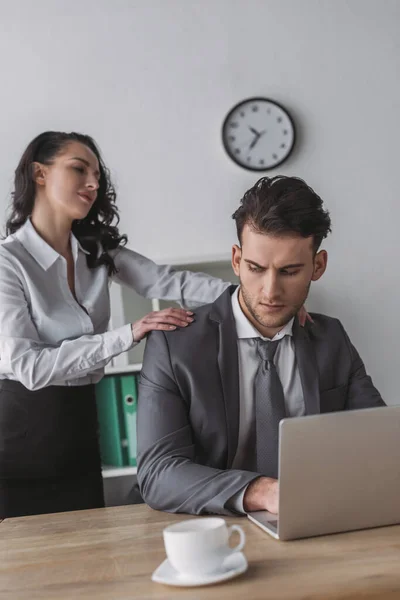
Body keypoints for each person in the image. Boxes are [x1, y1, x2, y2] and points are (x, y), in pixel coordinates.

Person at [0, 130, 233, 519]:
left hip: (78, 426)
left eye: (97, 175)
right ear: (40, 174)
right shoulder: (8, 262)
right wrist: (128, 335)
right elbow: (29, 366)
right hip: (18, 434)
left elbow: (170, 281)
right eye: (79, 169)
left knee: (90, 558)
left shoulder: (97, 250)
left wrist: (254, 299)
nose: (93, 183)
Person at [137, 175, 385, 517]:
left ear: (318, 266)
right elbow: (158, 473)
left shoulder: (331, 338)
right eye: (256, 268)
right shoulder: (173, 345)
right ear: (237, 260)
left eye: (289, 272)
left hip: (314, 522)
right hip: (211, 528)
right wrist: (263, 492)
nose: (270, 292)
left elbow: (380, 442)